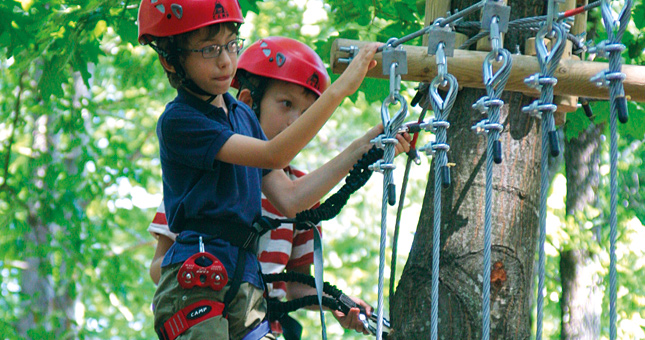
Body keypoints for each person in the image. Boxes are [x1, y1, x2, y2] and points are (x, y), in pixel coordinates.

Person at [138, 0, 399, 337]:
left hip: (244, 280)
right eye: (208, 50)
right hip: (198, 278)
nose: (225, 60)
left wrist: (366, 145)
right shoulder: (181, 121)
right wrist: (340, 89)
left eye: (232, 44)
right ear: (170, 60)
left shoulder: (242, 116)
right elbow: (274, 154)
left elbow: (290, 199)